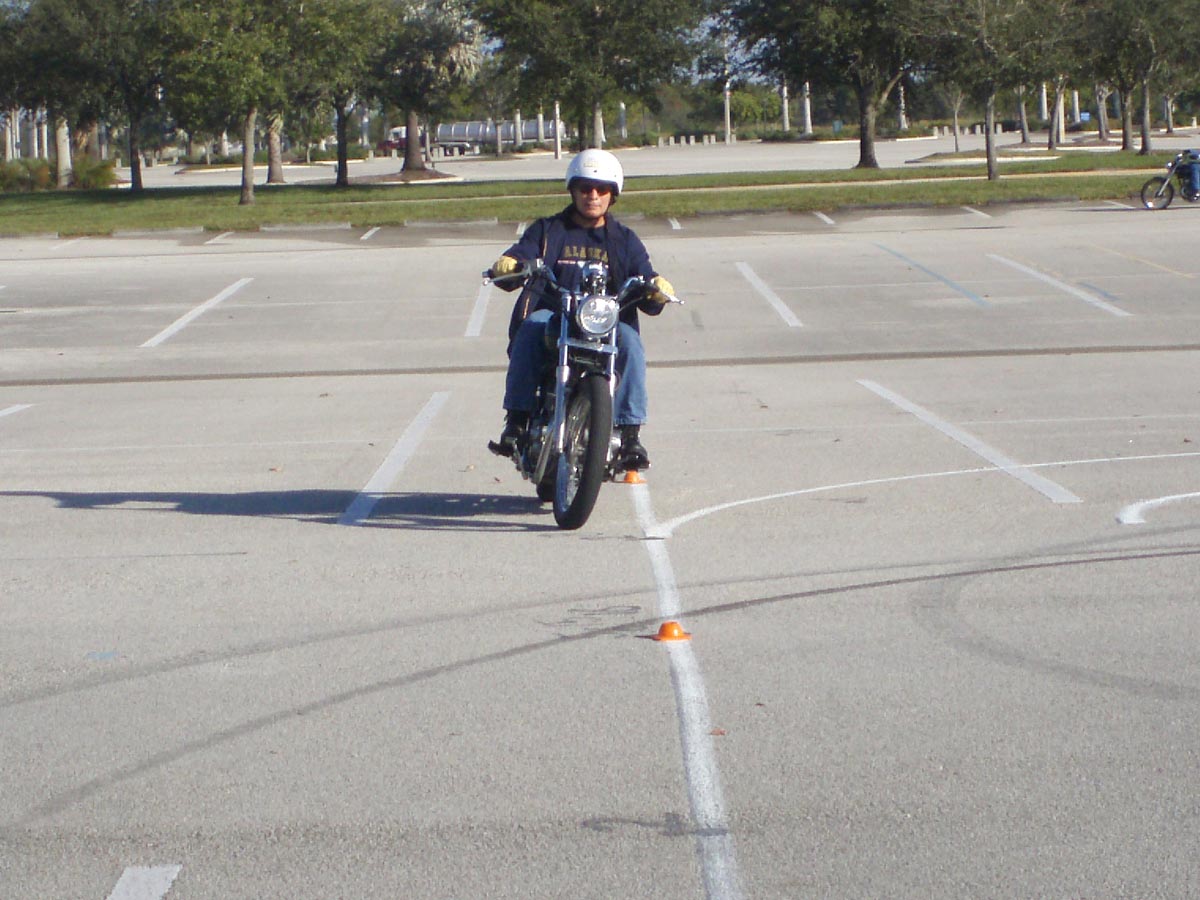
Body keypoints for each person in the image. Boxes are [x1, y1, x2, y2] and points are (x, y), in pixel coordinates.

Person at [487, 148, 674, 470]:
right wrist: (510, 263)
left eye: (601, 189)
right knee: (531, 329)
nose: (593, 196)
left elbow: (643, 272)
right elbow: (522, 253)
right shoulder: (548, 230)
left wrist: (656, 286)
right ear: (573, 190)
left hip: (603, 322)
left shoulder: (624, 239)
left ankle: (630, 435)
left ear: (612, 194)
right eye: (586, 188)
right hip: (555, 315)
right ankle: (516, 423)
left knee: (630, 343)